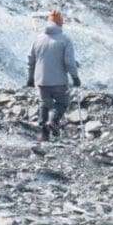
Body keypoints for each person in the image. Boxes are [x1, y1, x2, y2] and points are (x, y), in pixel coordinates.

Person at [26, 10, 81, 142]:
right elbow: (69, 62)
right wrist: (75, 77)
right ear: (60, 23)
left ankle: (44, 134)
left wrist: (30, 78)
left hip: (41, 81)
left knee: (44, 104)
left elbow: (30, 60)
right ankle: (53, 120)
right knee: (62, 102)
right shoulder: (65, 40)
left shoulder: (38, 39)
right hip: (59, 81)